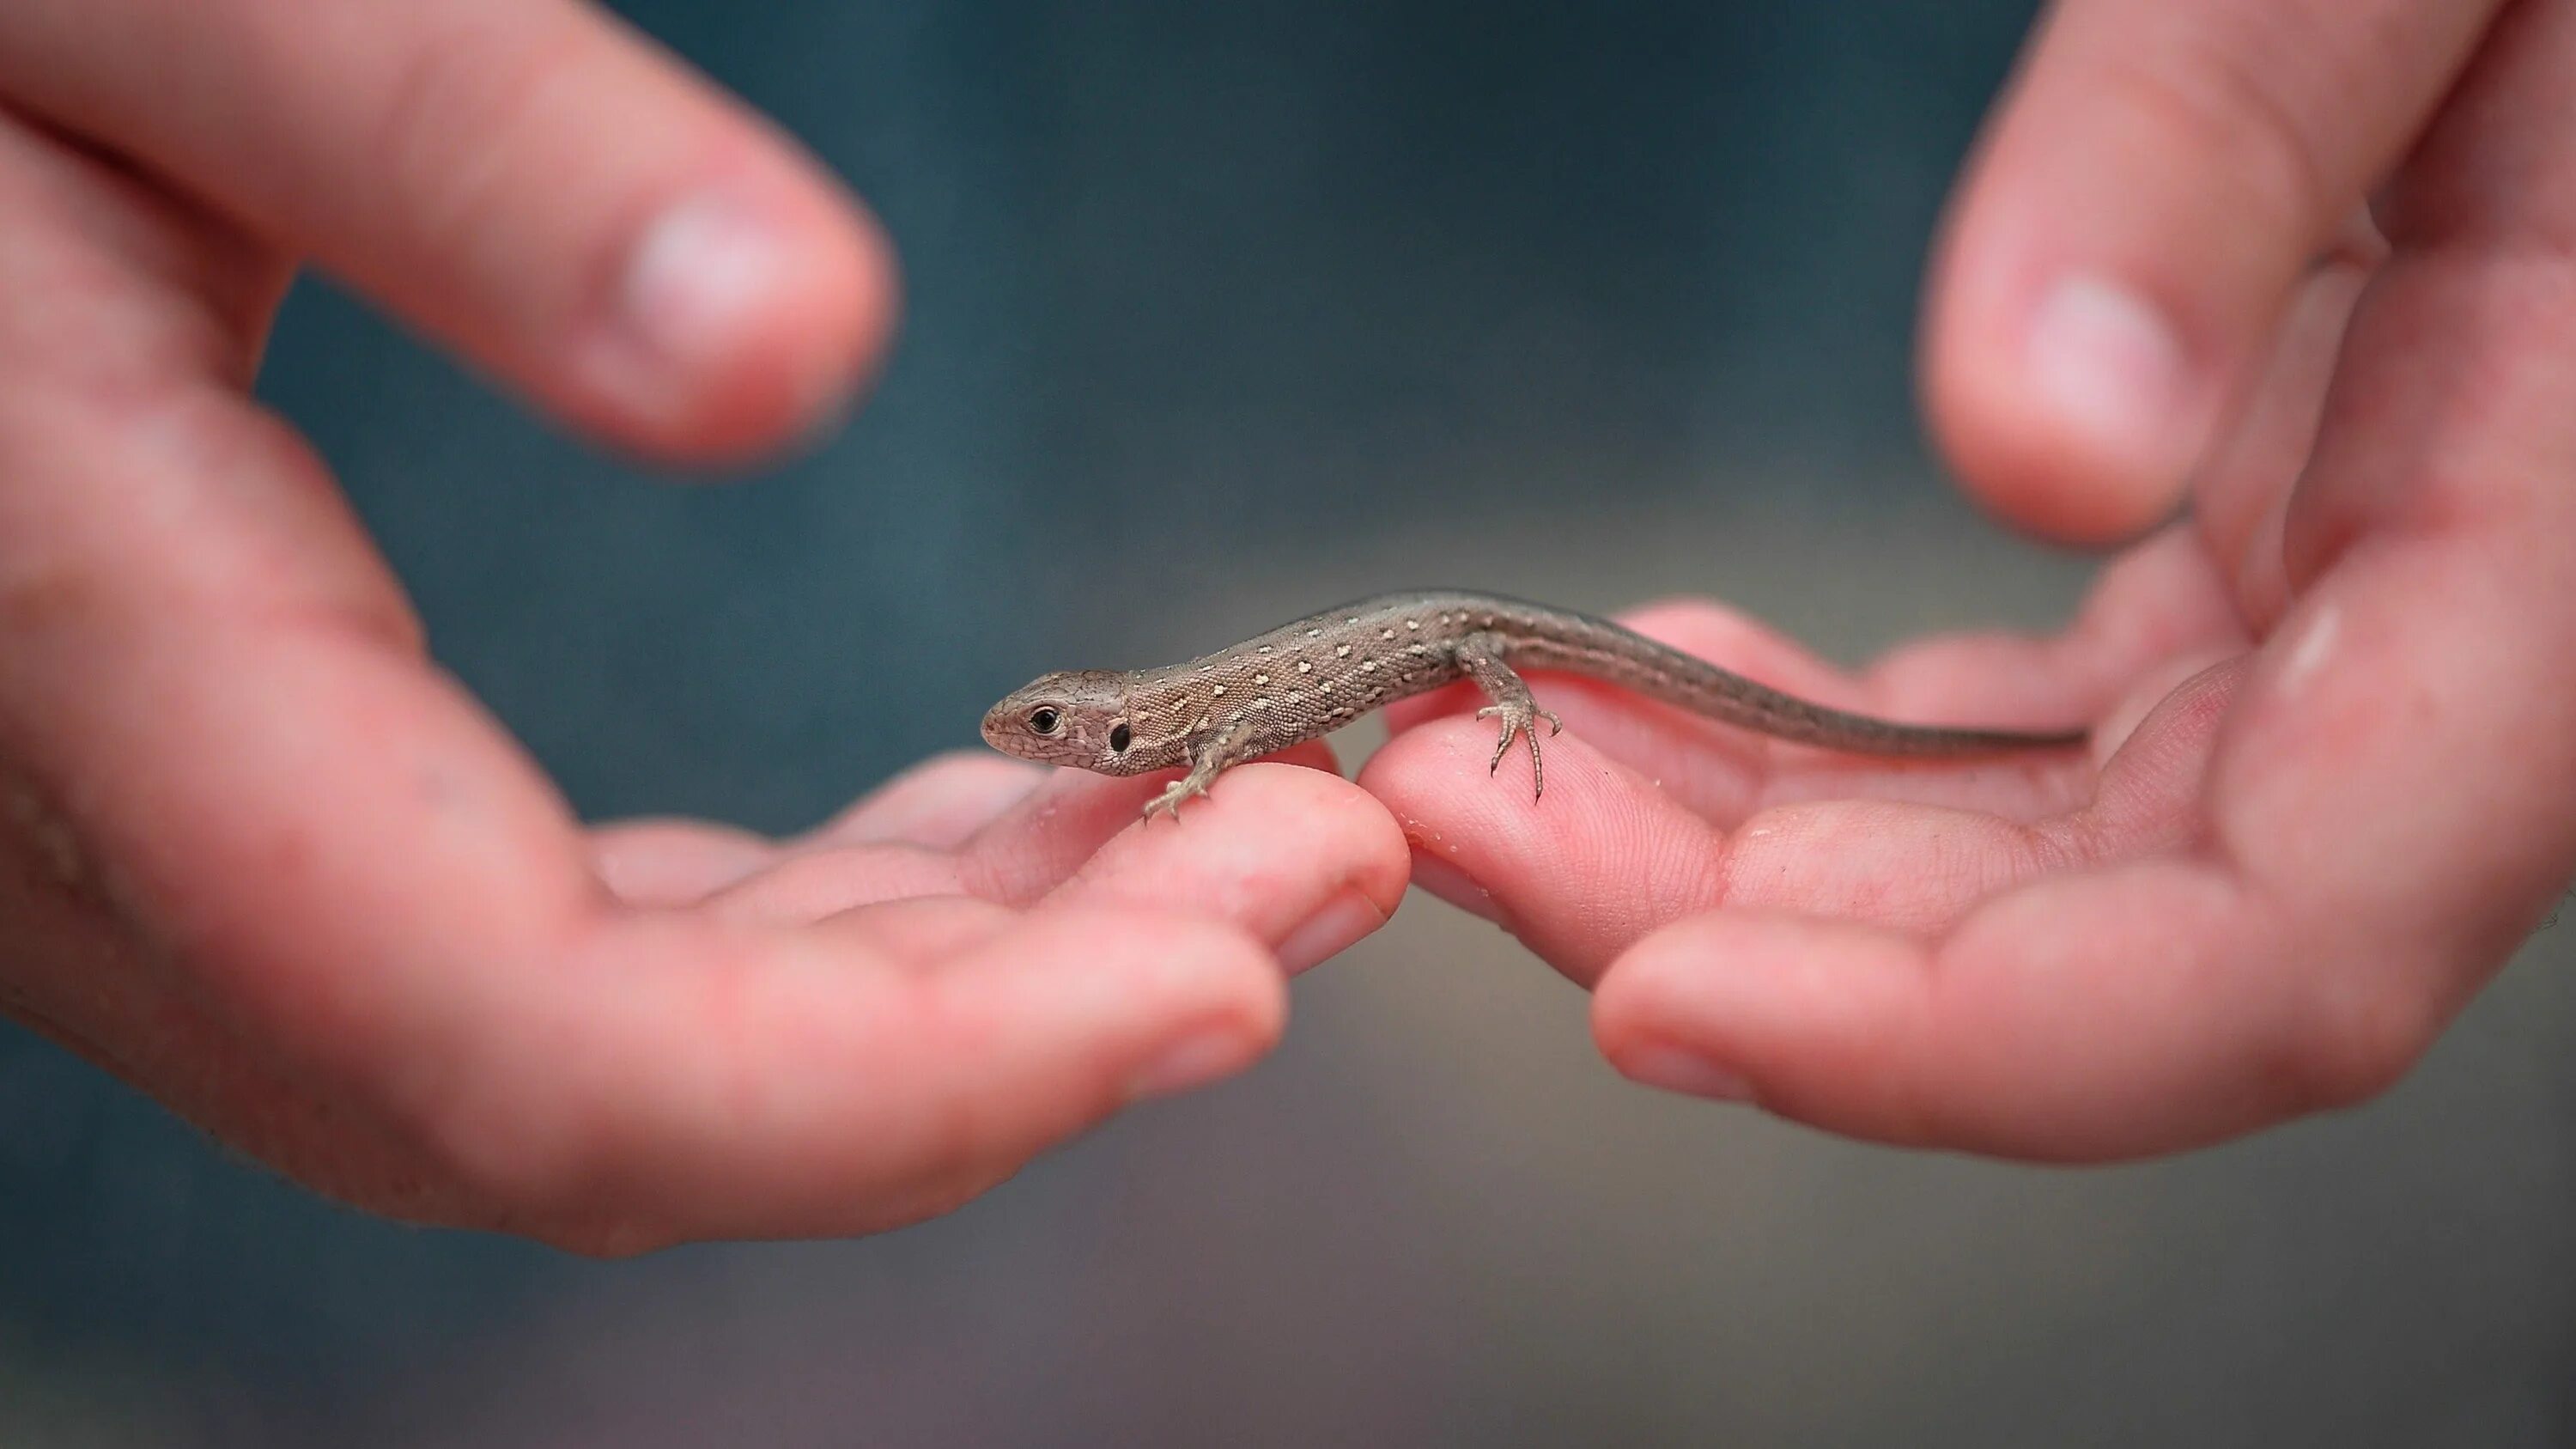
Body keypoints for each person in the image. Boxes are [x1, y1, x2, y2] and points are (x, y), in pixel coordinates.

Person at [0, 0, 2565, 1251]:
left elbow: (1304, 731)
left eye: (1059, 730)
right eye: (1056, 735)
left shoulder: (1195, 745)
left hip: (1542, 467)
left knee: (1566, 687)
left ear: (1110, 727)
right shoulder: (1171, 734)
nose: (1044, 743)